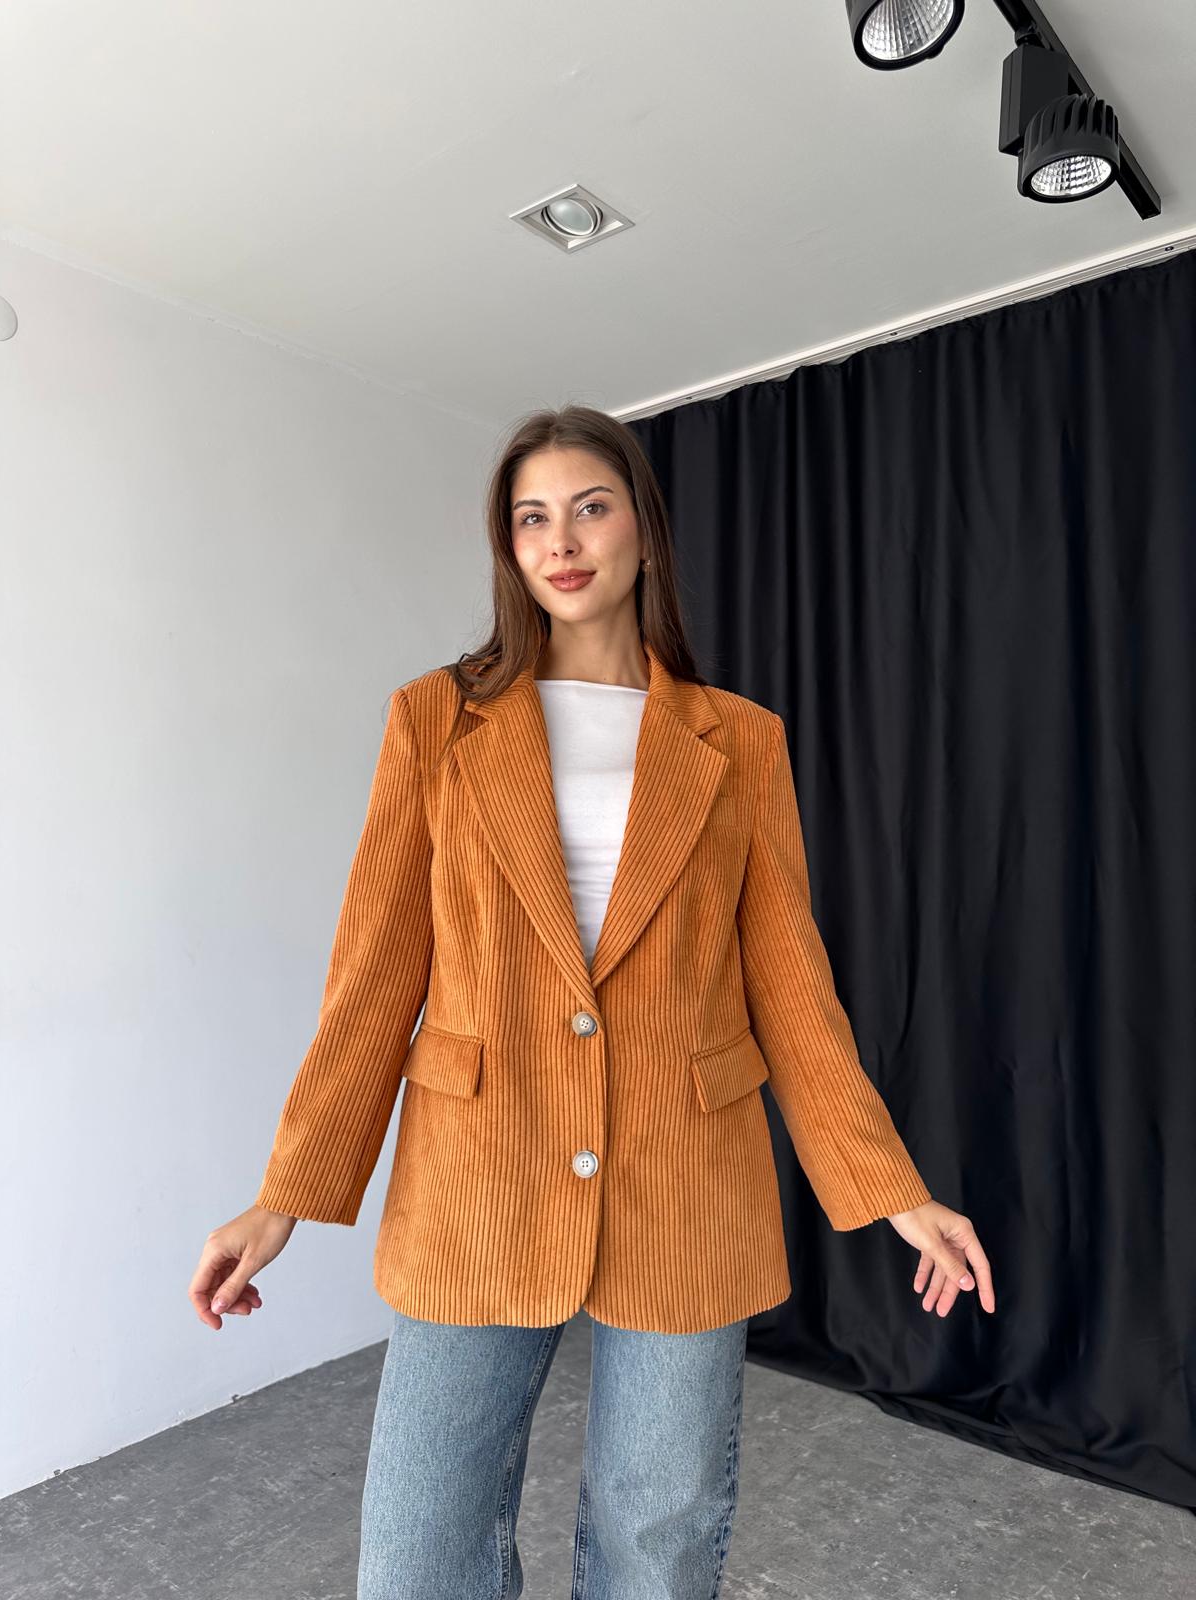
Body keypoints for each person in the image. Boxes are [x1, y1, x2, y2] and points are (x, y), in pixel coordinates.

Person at [189, 404, 996, 1599]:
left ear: (643, 530)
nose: (559, 540)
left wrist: (892, 1187)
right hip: (477, 1169)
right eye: (530, 518)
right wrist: (287, 1191)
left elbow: (789, 983)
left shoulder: (741, 741)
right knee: (419, 1547)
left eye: (589, 507)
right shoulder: (435, 719)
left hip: (687, 1174)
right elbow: (375, 974)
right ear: (508, 547)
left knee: (657, 1541)